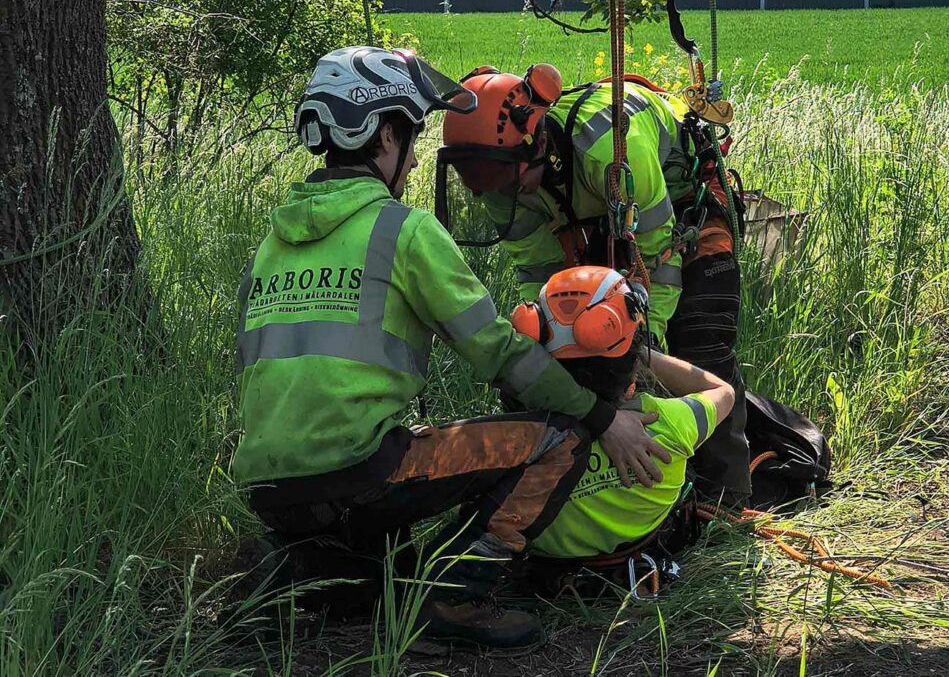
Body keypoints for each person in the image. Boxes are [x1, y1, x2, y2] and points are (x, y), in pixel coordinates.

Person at [232, 46, 672, 653]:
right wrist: (602, 417)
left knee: (376, 570)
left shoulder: (271, 246)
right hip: (362, 473)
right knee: (558, 440)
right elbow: (499, 351)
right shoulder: (400, 229)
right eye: (410, 140)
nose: (413, 163)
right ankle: (451, 598)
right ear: (383, 132)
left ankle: (311, 571)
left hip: (268, 489)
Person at [440, 64, 751, 506]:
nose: (491, 193)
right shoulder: (499, 179)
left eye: (501, 179)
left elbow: (656, 258)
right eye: (479, 180)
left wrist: (640, 346)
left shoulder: (608, 148)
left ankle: (729, 500)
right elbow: (538, 273)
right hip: (604, 224)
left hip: (682, 214)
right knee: (582, 358)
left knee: (701, 343)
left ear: (538, 142)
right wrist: (550, 340)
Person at [508, 265, 734, 561]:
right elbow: (723, 392)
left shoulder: (518, 442)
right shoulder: (670, 423)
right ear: (631, 363)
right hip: (647, 560)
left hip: (548, 573)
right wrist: (641, 352)